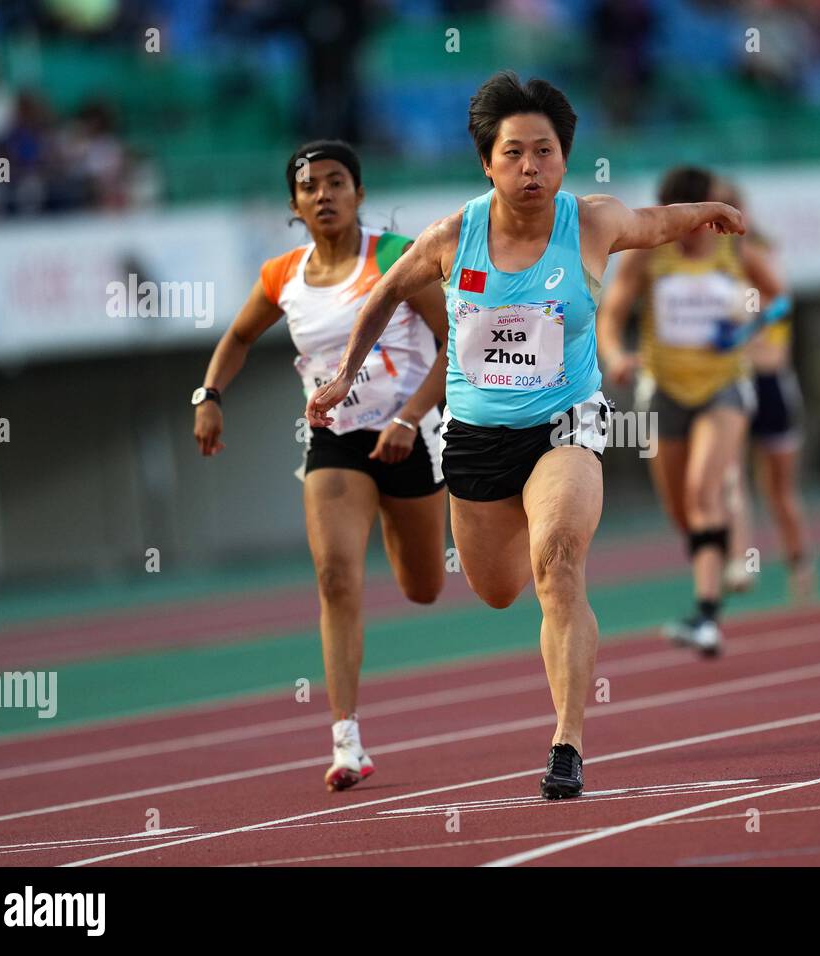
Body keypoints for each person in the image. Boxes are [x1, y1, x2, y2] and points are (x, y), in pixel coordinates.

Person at [305, 72, 744, 799]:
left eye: (544, 152)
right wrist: (347, 375)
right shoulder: (453, 236)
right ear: (487, 161)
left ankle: (567, 742)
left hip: (565, 425)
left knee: (559, 562)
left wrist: (711, 209)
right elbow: (383, 293)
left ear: (565, 159)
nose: (530, 168)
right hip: (475, 440)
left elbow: (658, 221)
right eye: (514, 153)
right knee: (498, 590)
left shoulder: (592, 223)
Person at [194, 140, 450, 792]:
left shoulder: (397, 257)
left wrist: (406, 417)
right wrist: (211, 395)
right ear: (294, 205)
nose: (324, 195)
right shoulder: (282, 275)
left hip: (412, 435)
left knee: (423, 586)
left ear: (360, 194)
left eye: (337, 182)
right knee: (336, 577)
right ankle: (346, 741)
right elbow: (240, 336)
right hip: (335, 440)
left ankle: (401, 525)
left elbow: (458, 345)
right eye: (310, 187)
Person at [596, 166, 783, 657]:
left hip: (724, 386)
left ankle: (705, 617)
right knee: (682, 510)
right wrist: (616, 356)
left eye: (693, 216)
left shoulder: (734, 249)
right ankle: (715, 553)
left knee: (703, 489)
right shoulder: (647, 258)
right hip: (663, 390)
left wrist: (742, 331)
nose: (686, 226)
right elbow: (611, 315)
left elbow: (778, 300)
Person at [715, 177, 813, 603]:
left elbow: (779, 307)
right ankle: (739, 561)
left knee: (779, 489)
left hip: (770, 378)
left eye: (732, 208)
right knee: (732, 478)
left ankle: (800, 564)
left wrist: (742, 334)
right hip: (731, 381)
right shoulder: (707, 264)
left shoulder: (762, 256)